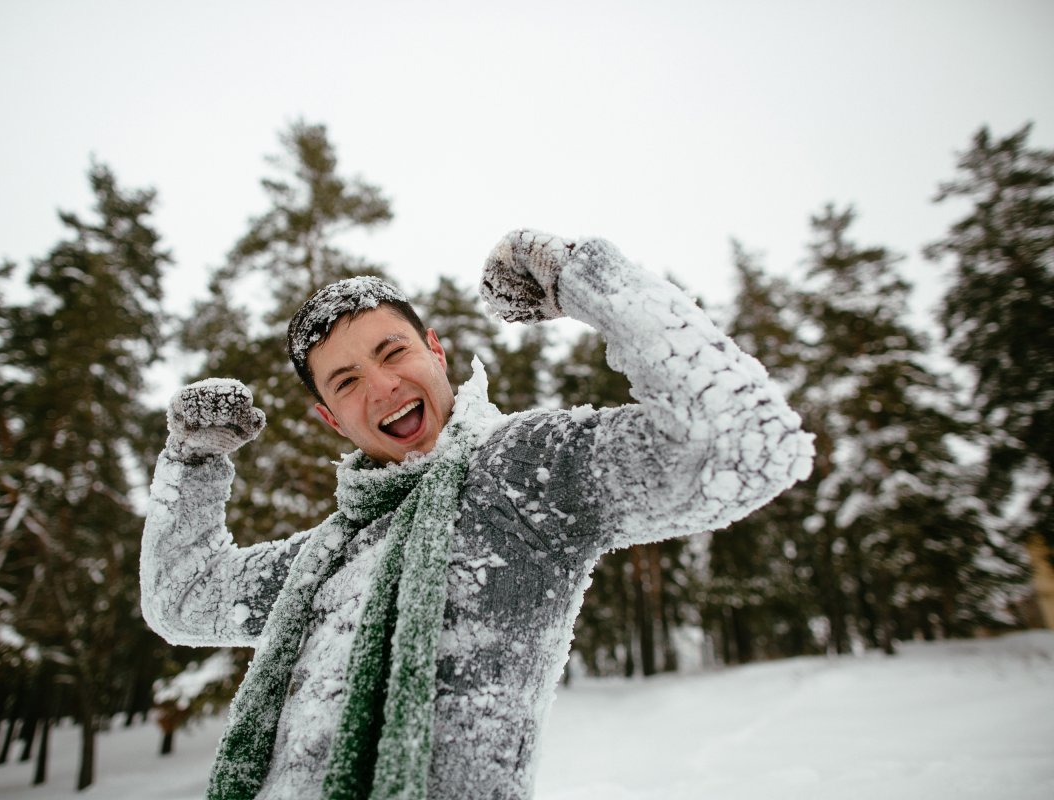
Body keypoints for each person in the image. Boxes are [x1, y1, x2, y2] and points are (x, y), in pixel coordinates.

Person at [140, 230, 814, 800]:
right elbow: (183, 599)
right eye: (345, 382)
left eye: (392, 351)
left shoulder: (523, 475)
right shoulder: (325, 556)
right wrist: (193, 463)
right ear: (330, 418)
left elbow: (747, 445)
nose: (382, 387)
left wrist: (579, 276)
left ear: (436, 351)